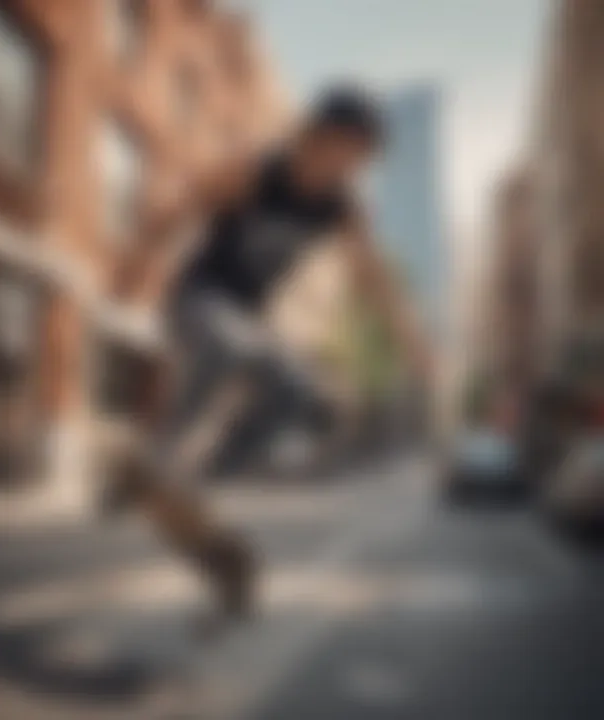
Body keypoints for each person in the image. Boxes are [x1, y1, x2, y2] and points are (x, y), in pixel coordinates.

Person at [113, 85, 431, 628]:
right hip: (198, 301)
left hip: (250, 322)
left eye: (359, 159)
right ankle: (161, 457)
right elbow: (181, 206)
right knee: (230, 345)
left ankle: (188, 484)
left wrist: (411, 341)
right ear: (315, 136)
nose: (347, 167)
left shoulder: (340, 207)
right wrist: (136, 262)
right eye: (342, 151)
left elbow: (372, 276)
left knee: (295, 389)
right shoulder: (256, 172)